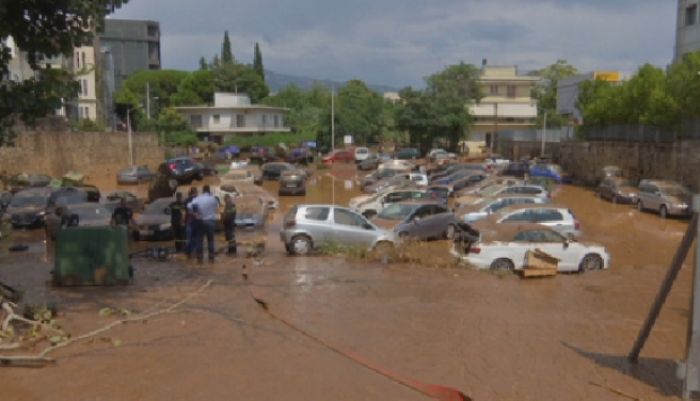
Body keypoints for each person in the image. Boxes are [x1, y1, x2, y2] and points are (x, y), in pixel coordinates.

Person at [188, 185, 219, 262]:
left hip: (200, 221)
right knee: (211, 240)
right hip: (210, 221)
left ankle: (199, 258)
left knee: (200, 240)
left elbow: (189, 206)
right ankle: (211, 258)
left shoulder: (198, 199)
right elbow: (217, 207)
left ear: (203, 190)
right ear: (209, 190)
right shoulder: (213, 199)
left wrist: (193, 212)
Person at [184, 187, 198, 257]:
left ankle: (188, 253)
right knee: (194, 237)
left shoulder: (186, 200)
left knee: (189, 237)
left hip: (189, 220)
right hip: (195, 220)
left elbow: (184, 211)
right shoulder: (197, 199)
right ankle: (193, 252)